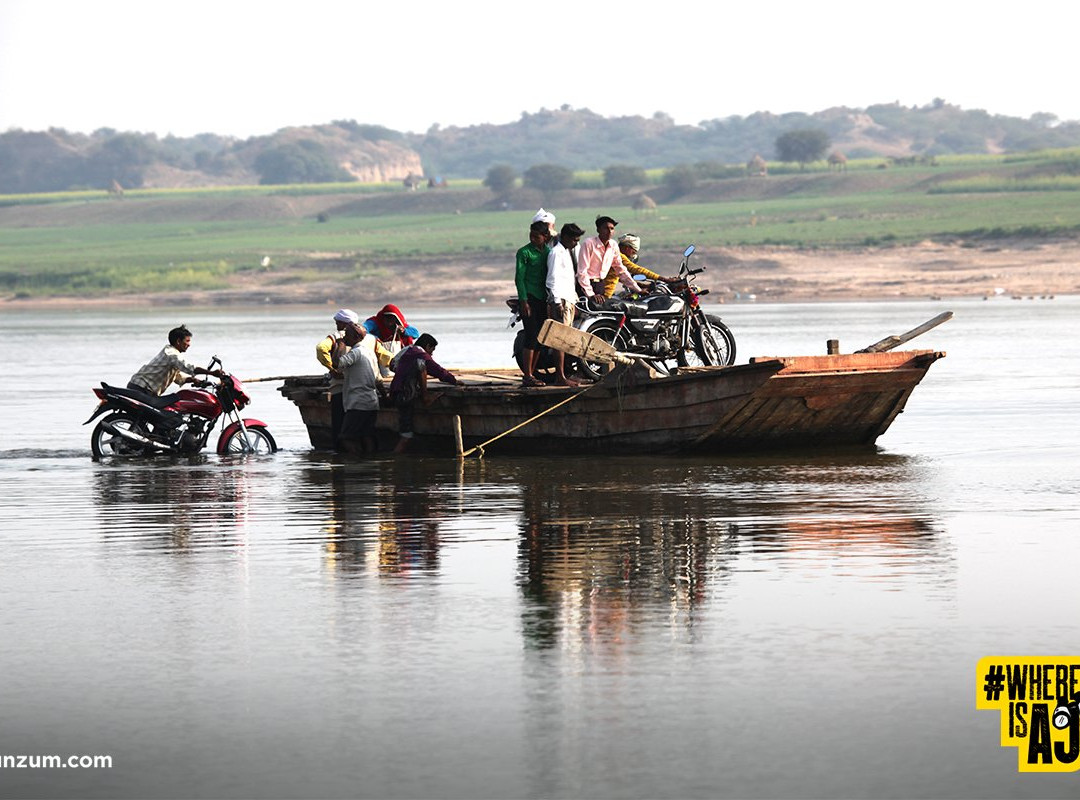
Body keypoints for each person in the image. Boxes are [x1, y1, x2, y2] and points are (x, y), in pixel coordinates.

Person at [389, 333, 460, 453]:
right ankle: (395, 457)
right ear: (427, 346)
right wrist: (454, 380)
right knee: (406, 435)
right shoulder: (420, 354)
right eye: (432, 350)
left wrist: (406, 371)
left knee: (419, 365)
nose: (431, 354)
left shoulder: (407, 350)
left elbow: (392, 365)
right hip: (406, 395)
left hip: (395, 391)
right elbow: (437, 370)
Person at [128, 324, 223, 398]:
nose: (189, 344)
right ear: (178, 341)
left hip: (145, 390)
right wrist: (212, 373)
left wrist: (192, 380)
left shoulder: (172, 353)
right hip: (141, 388)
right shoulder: (171, 353)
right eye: (187, 341)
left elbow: (177, 376)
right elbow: (188, 367)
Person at [331, 323, 383, 455]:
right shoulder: (369, 352)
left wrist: (340, 344)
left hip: (358, 403)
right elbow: (378, 379)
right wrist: (385, 396)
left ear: (355, 337)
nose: (345, 337)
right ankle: (370, 462)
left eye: (347, 335)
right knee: (366, 435)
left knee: (346, 437)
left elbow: (336, 363)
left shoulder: (356, 352)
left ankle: (356, 460)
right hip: (371, 402)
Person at [545, 222, 586, 386]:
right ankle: (560, 377)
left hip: (568, 298)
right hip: (560, 299)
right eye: (575, 240)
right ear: (566, 237)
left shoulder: (567, 252)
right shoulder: (556, 253)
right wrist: (557, 303)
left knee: (565, 339)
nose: (576, 243)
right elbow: (552, 279)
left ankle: (565, 374)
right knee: (559, 340)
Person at [316, 309, 361, 448]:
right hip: (356, 389)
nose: (336, 326)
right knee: (355, 424)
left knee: (338, 423)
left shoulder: (334, 338)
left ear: (344, 323)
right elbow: (384, 356)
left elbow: (321, 349)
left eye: (338, 323)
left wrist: (332, 369)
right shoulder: (365, 336)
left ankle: (339, 451)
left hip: (339, 389)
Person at [515, 220, 552, 387]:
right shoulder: (524, 252)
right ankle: (527, 375)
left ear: (545, 237)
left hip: (543, 299)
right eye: (531, 235)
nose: (532, 239)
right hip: (529, 298)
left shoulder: (549, 252)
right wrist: (523, 301)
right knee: (530, 337)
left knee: (540, 338)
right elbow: (519, 278)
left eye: (536, 236)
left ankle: (532, 373)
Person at [575, 215, 642, 305]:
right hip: (586, 285)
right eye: (606, 228)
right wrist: (590, 294)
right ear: (598, 230)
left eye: (612, 228)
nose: (609, 231)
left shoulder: (613, 245)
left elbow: (620, 269)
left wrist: (638, 290)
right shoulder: (589, 244)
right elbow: (582, 272)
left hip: (600, 285)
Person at [594, 233, 679, 300]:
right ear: (627, 248)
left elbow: (621, 278)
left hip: (602, 294)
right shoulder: (618, 256)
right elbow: (636, 269)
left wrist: (640, 285)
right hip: (604, 296)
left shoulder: (610, 253)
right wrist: (664, 279)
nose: (632, 256)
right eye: (633, 252)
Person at [363, 304, 419, 375]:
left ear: (396, 319)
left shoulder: (400, 326)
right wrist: (375, 338)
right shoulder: (375, 322)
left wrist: (404, 331)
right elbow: (364, 329)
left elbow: (416, 334)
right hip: (378, 355)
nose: (389, 322)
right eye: (386, 318)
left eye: (391, 319)